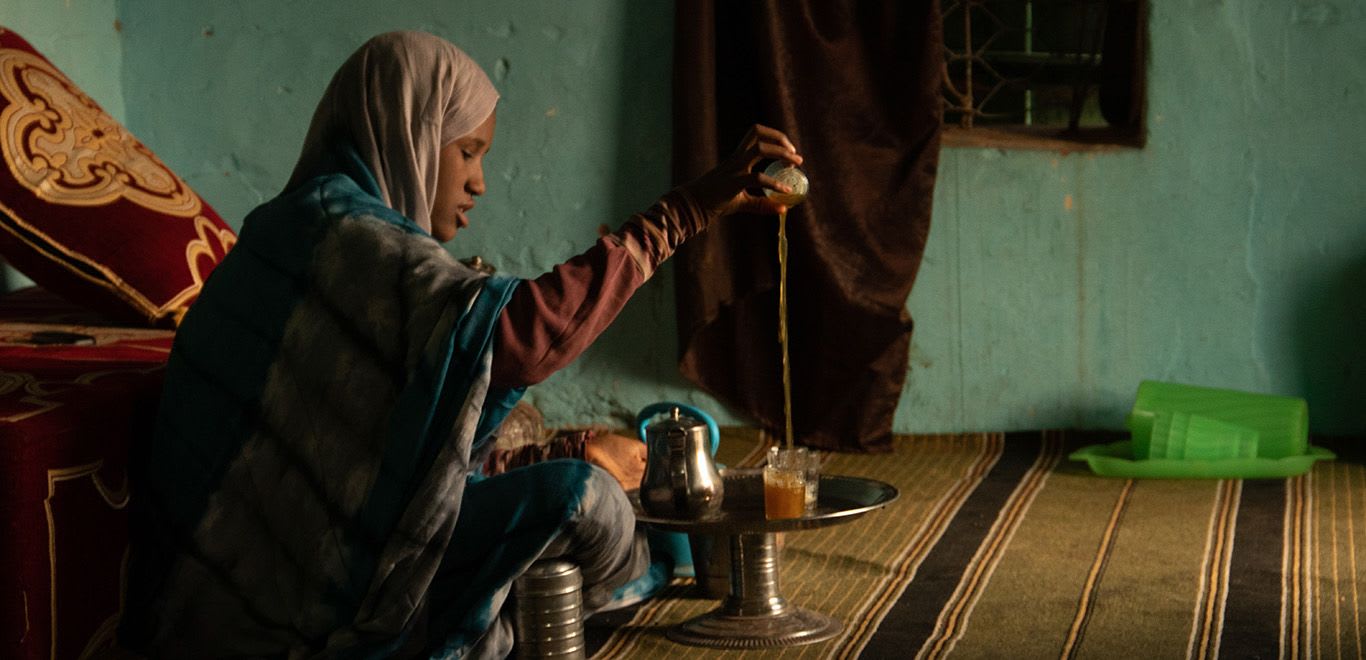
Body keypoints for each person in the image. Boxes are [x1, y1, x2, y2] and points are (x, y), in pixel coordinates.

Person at [119, 30, 801, 658]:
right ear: (406, 132)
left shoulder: (292, 230)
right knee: (584, 497)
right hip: (299, 599)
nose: (478, 180)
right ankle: (612, 588)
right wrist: (686, 212)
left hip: (208, 594)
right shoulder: (347, 239)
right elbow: (526, 337)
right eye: (467, 151)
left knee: (562, 488)